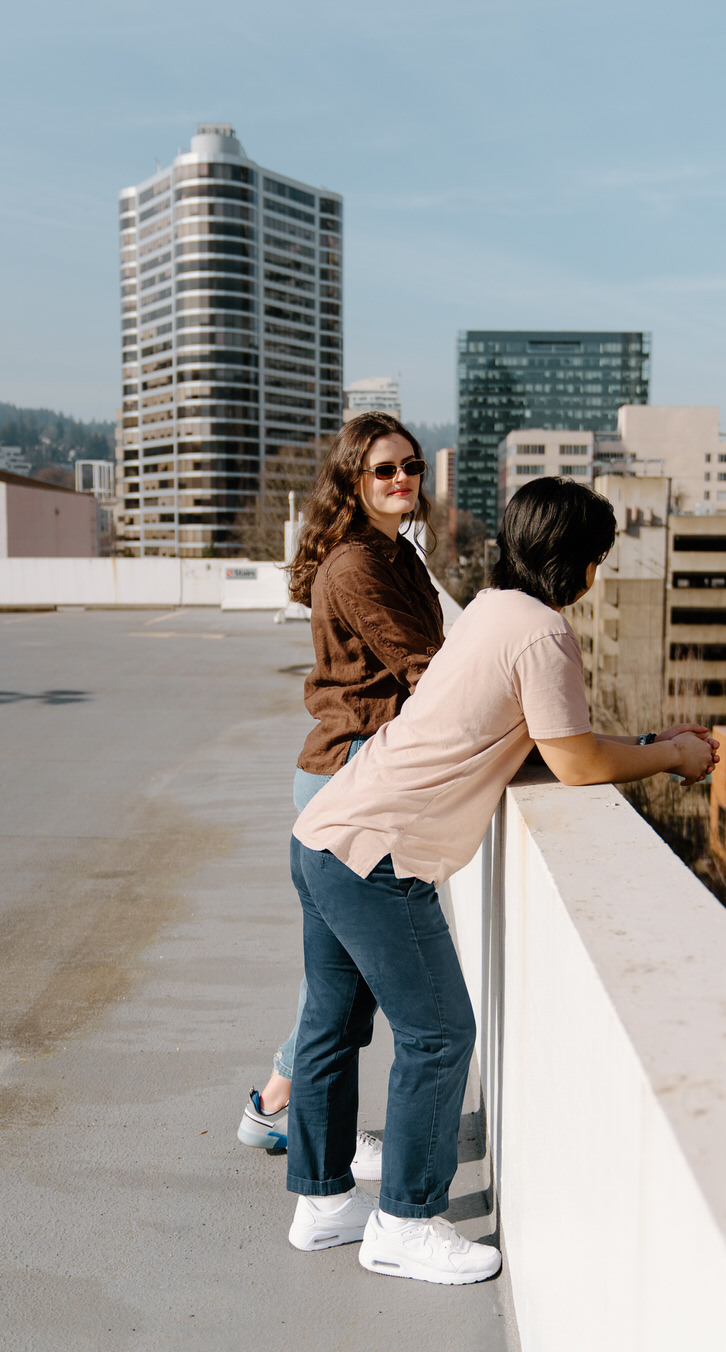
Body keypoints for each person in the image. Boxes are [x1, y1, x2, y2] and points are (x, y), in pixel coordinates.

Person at [284, 477, 719, 1285]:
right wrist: (669, 755)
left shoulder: (489, 609)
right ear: (581, 564)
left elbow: (555, 737)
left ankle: (323, 1203)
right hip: (379, 855)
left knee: (328, 1027)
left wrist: (651, 738)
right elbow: (576, 759)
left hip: (324, 834)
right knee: (440, 1035)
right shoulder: (543, 633)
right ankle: (405, 1223)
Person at [237, 413, 443, 1184]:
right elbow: (427, 669)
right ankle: (286, 1118)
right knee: (352, 990)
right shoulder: (358, 566)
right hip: (348, 776)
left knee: (337, 985)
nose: (401, 481)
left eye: (411, 467)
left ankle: (276, 1109)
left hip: (352, 773)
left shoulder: (399, 555)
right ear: (354, 479)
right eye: (384, 470)